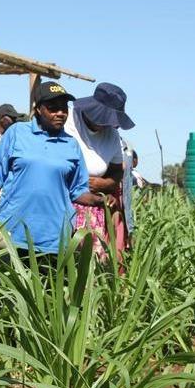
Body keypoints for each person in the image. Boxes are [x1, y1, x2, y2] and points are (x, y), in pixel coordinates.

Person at [0, 81, 104, 254]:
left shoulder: (71, 145)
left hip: (55, 237)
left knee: (48, 280)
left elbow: (77, 191)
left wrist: (100, 200)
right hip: (12, 233)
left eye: (64, 108)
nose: (60, 113)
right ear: (39, 109)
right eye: (53, 108)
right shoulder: (17, 133)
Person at [64, 82, 133, 258]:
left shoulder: (112, 136)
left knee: (88, 265)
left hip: (92, 207)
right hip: (62, 203)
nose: (107, 125)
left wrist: (106, 183)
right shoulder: (67, 122)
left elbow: (118, 170)